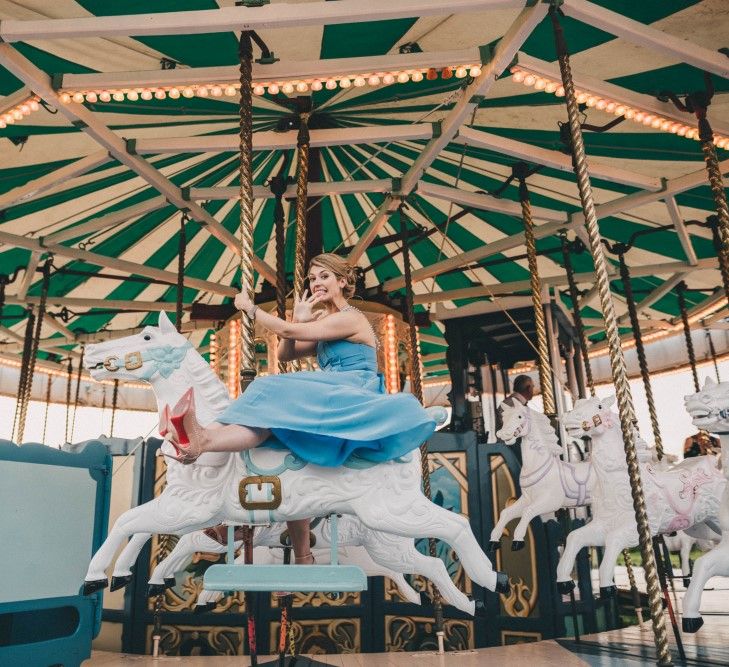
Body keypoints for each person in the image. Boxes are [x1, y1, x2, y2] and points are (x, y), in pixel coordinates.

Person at [162, 253, 437, 564]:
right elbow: (285, 353)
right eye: (312, 278)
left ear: (343, 282)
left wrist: (251, 309)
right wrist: (302, 318)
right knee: (272, 429)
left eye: (324, 277)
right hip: (334, 389)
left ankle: (204, 438)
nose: (316, 283)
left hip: (351, 390)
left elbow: (288, 335)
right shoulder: (325, 321)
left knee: (269, 387)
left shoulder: (352, 317)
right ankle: (201, 440)